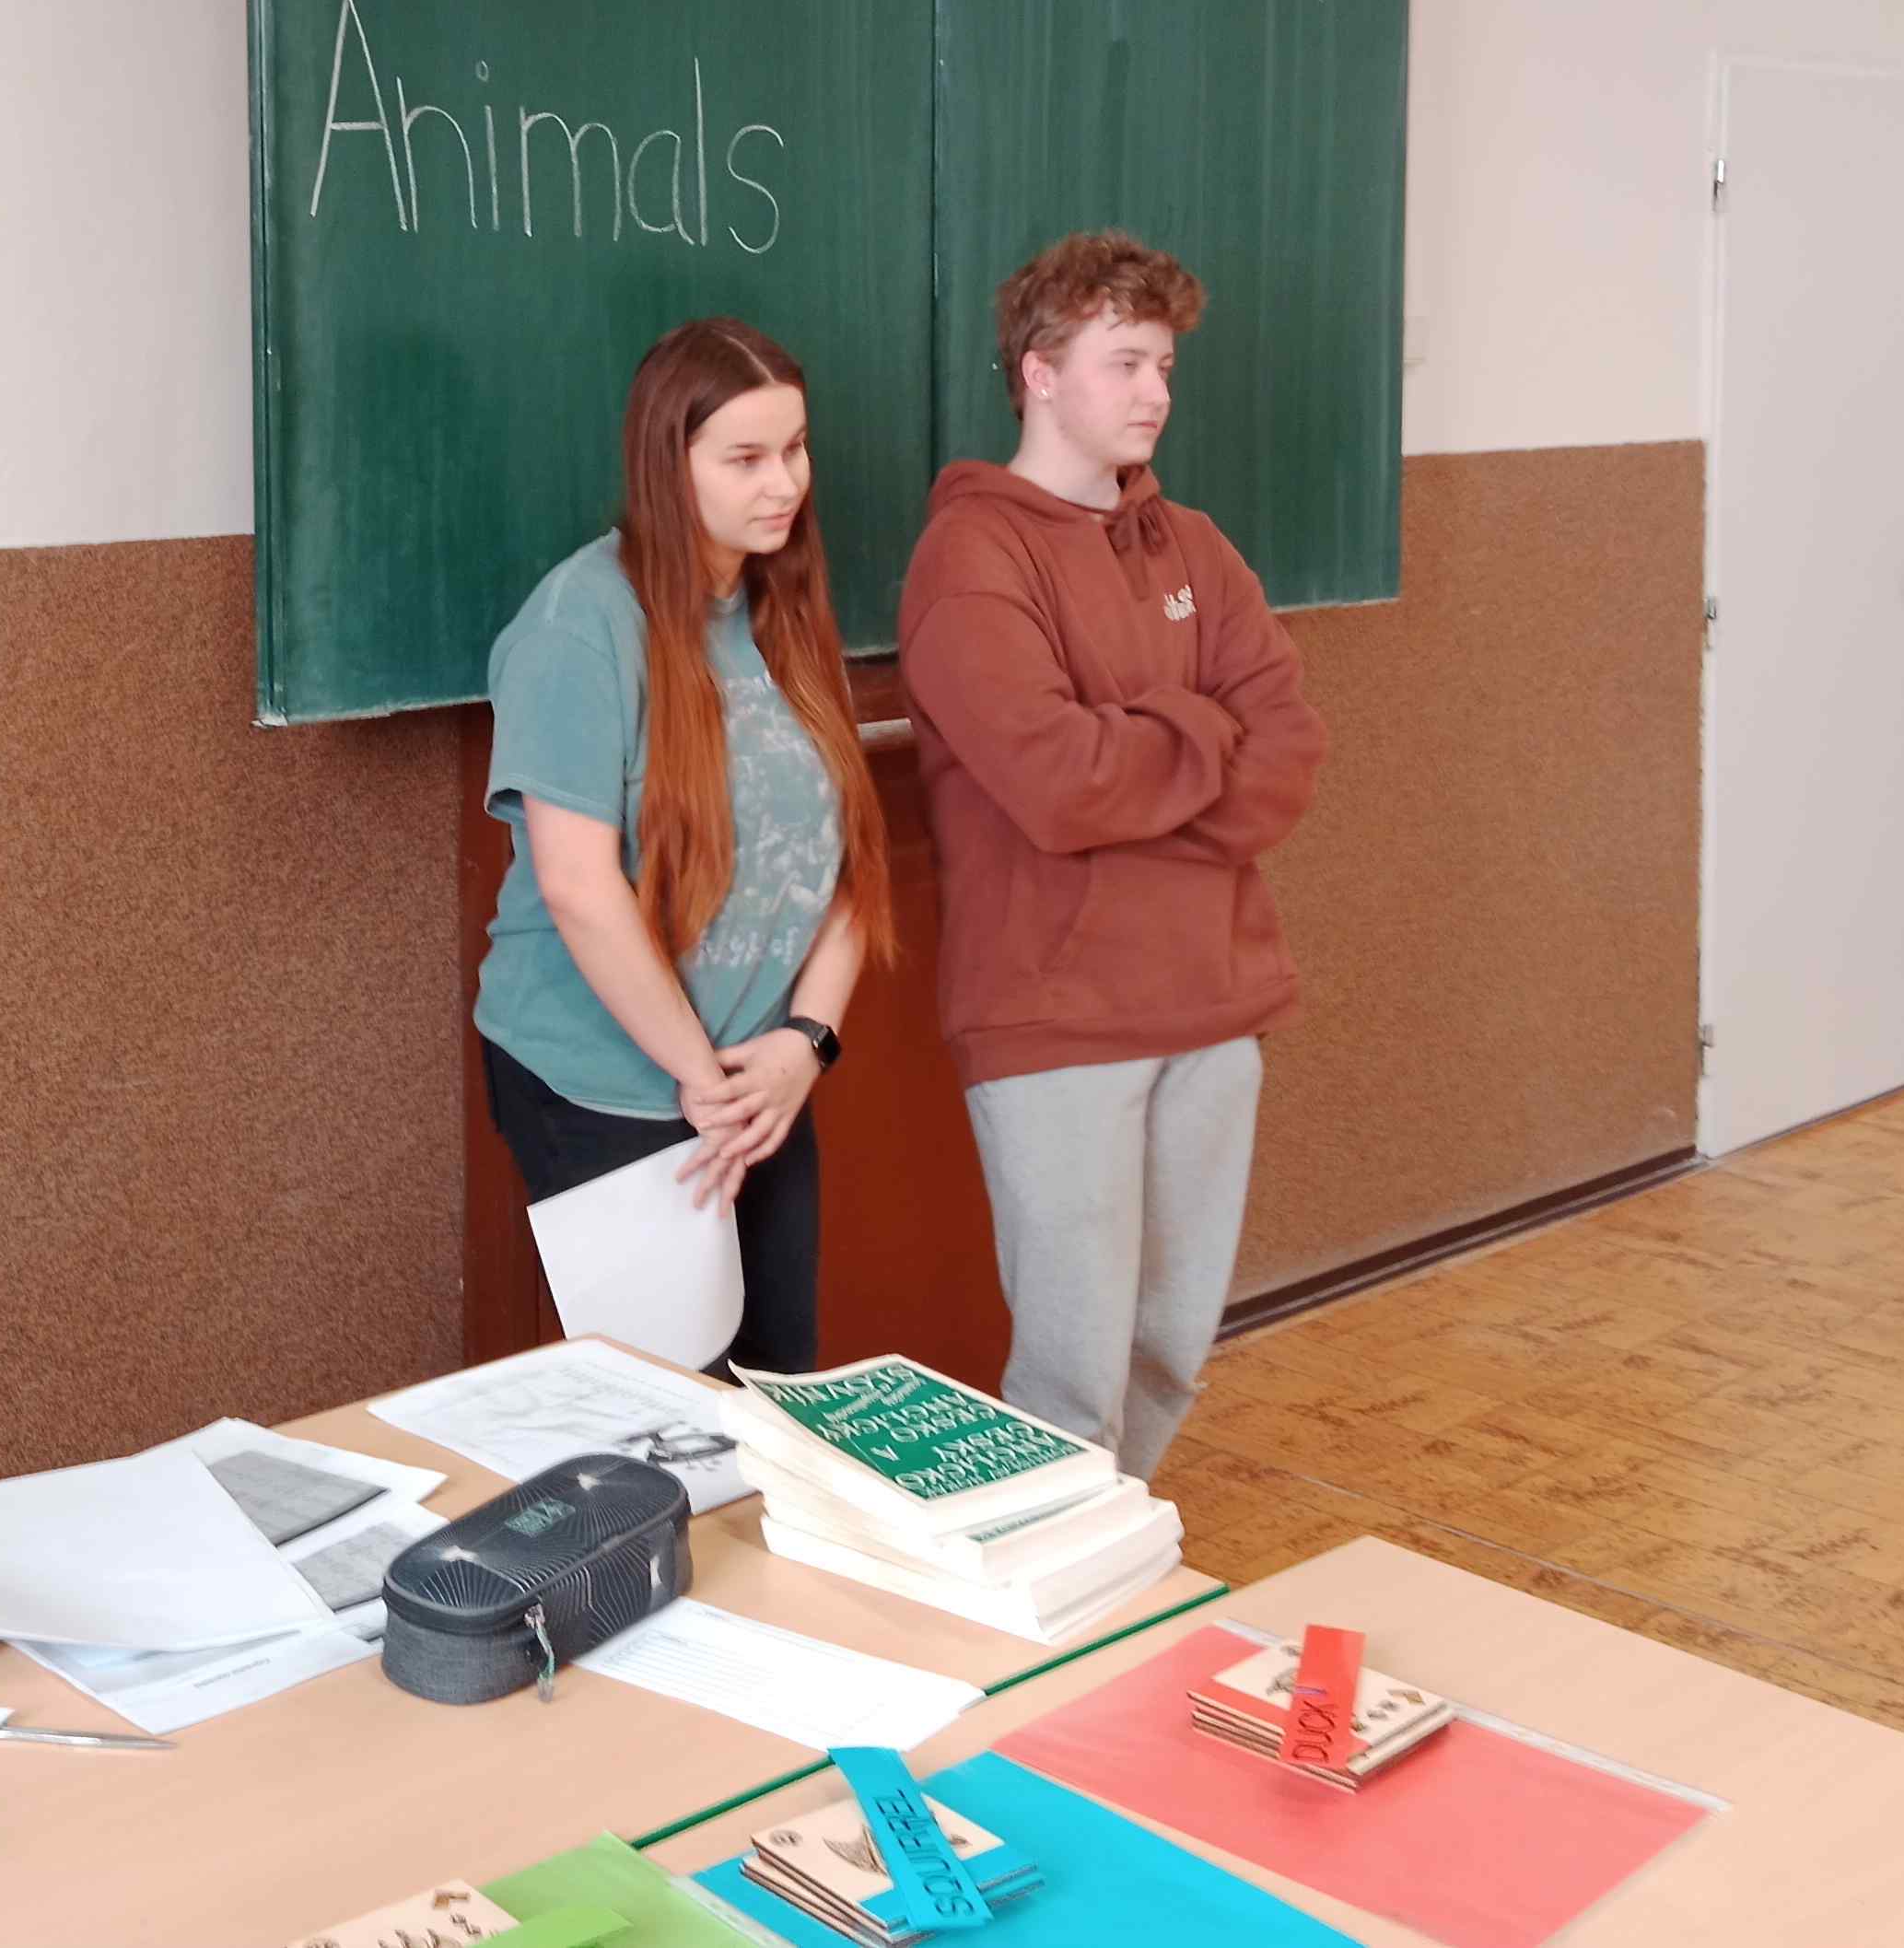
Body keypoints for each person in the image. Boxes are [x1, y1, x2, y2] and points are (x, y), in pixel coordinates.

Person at [897, 233, 1326, 1476]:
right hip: (1059, 1020)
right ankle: (1056, 1578)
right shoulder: (971, 558)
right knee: (1071, 1376)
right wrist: (1200, 730)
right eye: (1125, 362)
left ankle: (1111, 1555)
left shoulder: (1194, 547)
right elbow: (1057, 782)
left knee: (1168, 1351)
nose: (1155, 393)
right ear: (1040, 373)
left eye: (1165, 366)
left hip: (1212, 1001)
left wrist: (1146, 756)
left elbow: (1287, 752)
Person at [471, 318, 895, 1374]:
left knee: (778, 1392)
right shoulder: (580, 623)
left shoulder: (783, 605)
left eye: (794, 449)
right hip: (611, 1083)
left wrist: (807, 1042)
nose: (783, 483)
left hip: (760, 1081)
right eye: (746, 458)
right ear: (670, 463)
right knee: (675, 1417)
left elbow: (849, 857)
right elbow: (578, 886)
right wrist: (699, 1081)